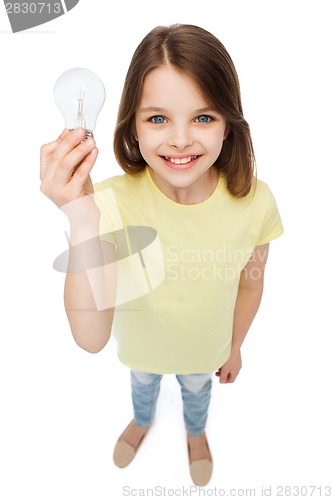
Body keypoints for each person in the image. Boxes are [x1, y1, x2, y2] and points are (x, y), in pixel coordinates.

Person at [40, 24, 283, 486]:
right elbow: (91, 339)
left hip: (205, 353)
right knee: (143, 390)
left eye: (203, 117)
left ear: (230, 123)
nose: (180, 140)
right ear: (131, 123)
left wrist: (235, 347)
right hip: (142, 352)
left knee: (197, 394)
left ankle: (195, 434)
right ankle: (143, 421)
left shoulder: (256, 201)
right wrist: (82, 220)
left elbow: (251, 281)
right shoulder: (107, 205)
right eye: (157, 119)